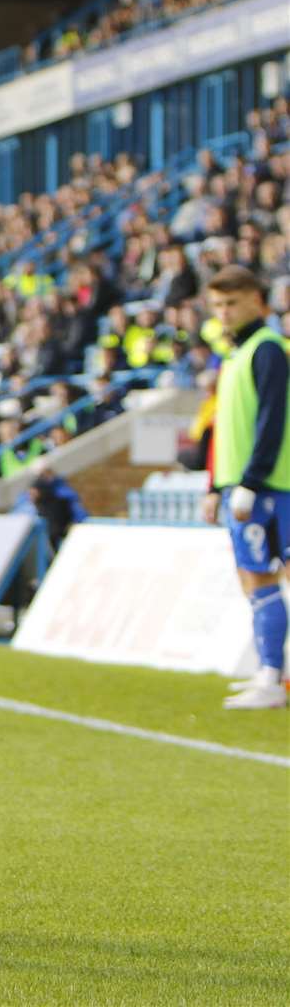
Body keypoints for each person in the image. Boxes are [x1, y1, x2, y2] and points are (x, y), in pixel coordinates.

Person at [201, 266, 289, 710]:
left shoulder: (269, 349)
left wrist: (251, 482)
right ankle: (270, 675)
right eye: (217, 304)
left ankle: (274, 676)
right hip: (241, 484)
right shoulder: (233, 355)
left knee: (277, 576)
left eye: (232, 302)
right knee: (254, 578)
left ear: (258, 300)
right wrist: (214, 485)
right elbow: (225, 428)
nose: (224, 312)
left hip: (277, 485)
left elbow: (271, 421)